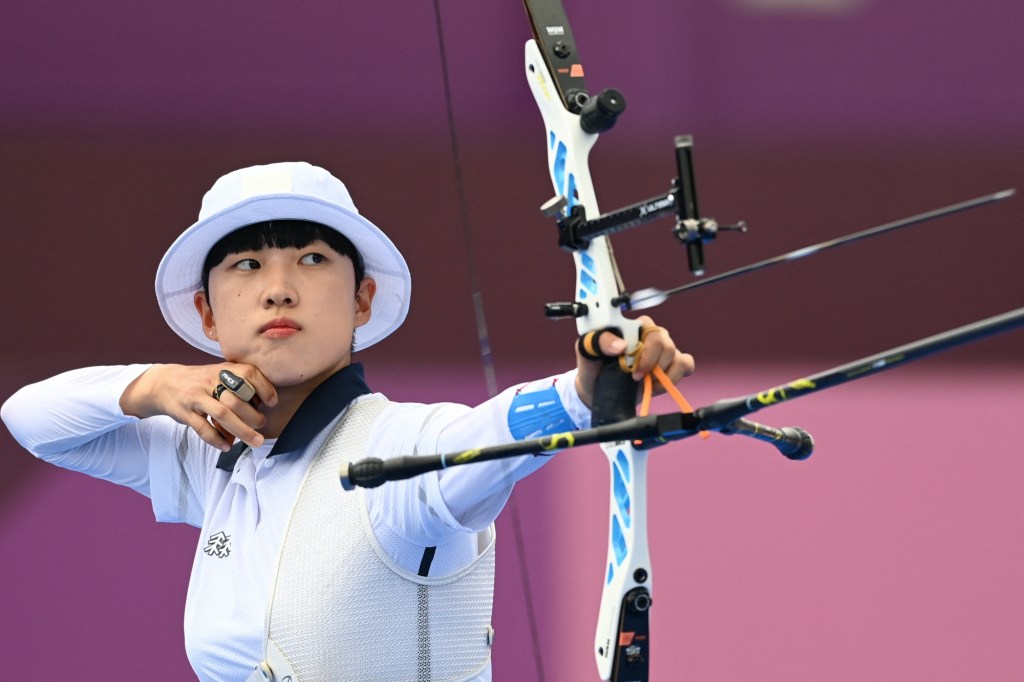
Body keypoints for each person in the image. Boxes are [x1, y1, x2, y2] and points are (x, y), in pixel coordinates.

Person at [1, 161, 694, 682]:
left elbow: (485, 437)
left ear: (362, 299)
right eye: (246, 264)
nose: (278, 287)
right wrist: (154, 385)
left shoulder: (397, 450)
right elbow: (29, 419)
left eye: (311, 259)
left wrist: (582, 390)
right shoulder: (215, 451)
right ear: (209, 315)